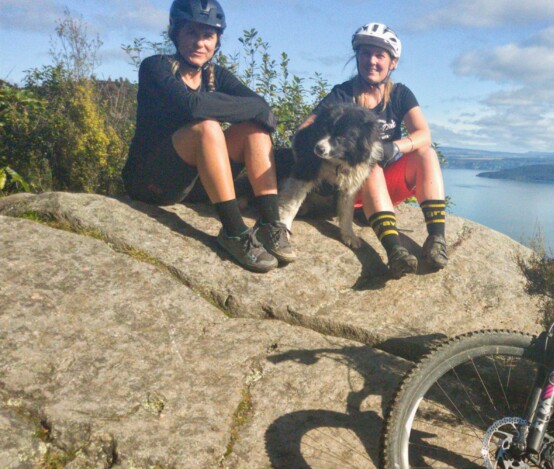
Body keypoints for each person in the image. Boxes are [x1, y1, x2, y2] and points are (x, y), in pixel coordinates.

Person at [122, 0, 294, 273]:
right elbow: (192, 107)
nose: (199, 43)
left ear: (217, 40)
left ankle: (270, 224)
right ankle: (234, 232)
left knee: (254, 130)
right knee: (207, 127)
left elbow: (262, 107)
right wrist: (245, 108)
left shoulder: (216, 76)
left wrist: (252, 111)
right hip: (152, 181)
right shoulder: (156, 67)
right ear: (176, 33)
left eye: (208, 35)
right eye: (191, 32)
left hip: (197, 185)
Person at [300, 22, 447, 278]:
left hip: (388, 188)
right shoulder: (343, 95)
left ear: (393, 62)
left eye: (380, 55)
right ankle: (395, 252)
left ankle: (436, 239)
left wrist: (392, 148)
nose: (372, 61)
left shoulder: (400, 94)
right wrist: (329, 160)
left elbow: (423, 135)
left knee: (426, 153)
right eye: (365, 53)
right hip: (353, 189)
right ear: (357, 57)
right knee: (369, 165)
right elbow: (305, 130)